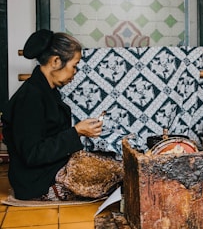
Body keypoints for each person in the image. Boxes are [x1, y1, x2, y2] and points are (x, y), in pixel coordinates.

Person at [1, 29, 119, 201]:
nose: (75, 72)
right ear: (56, 61)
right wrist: (76, 131)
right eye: (74, 66)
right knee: (118, 177)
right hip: (38, 180)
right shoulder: (30, 98)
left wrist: (77, 132)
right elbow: (32, 154)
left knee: (119, 167)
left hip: (52, 167)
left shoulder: (47, 91)